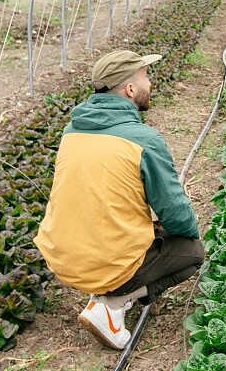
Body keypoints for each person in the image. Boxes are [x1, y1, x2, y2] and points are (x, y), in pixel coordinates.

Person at [34, 49, 204, 350]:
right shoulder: (143, 140)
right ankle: (113, 302)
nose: (149, 84)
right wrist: (178, 234)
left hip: (61, 259)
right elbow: (177, 216)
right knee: (191, 252)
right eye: (145, 78)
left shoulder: (71, 131)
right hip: (105, 263)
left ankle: (105, 289)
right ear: (130, 89)